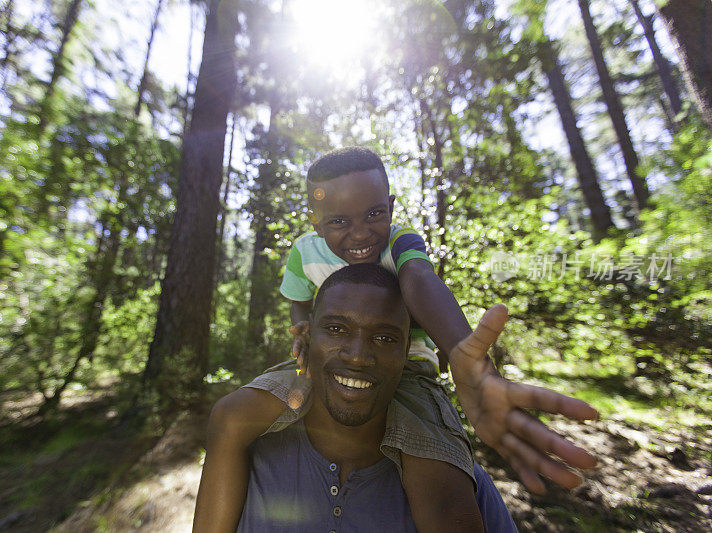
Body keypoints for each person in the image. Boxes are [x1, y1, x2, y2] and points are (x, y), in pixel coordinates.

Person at [195, 147, 598, 532]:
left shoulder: (401, 242)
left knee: (440, 483)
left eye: (373, 214)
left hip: (410, 370)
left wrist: (460, 351)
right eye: (339, 222)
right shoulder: (304, 252)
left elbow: (421, 281)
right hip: (320, 360)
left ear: (391, 206)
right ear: (315, 222)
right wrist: (302, 331)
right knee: (230, 416)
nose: (359, 234)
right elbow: (298, 300)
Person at [195, 264, 517, 532]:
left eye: (383, 337)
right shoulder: (247, 456)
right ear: (307, 337)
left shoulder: (464, 486)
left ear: (406, 350)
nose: (358, 356)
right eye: (336, 329)